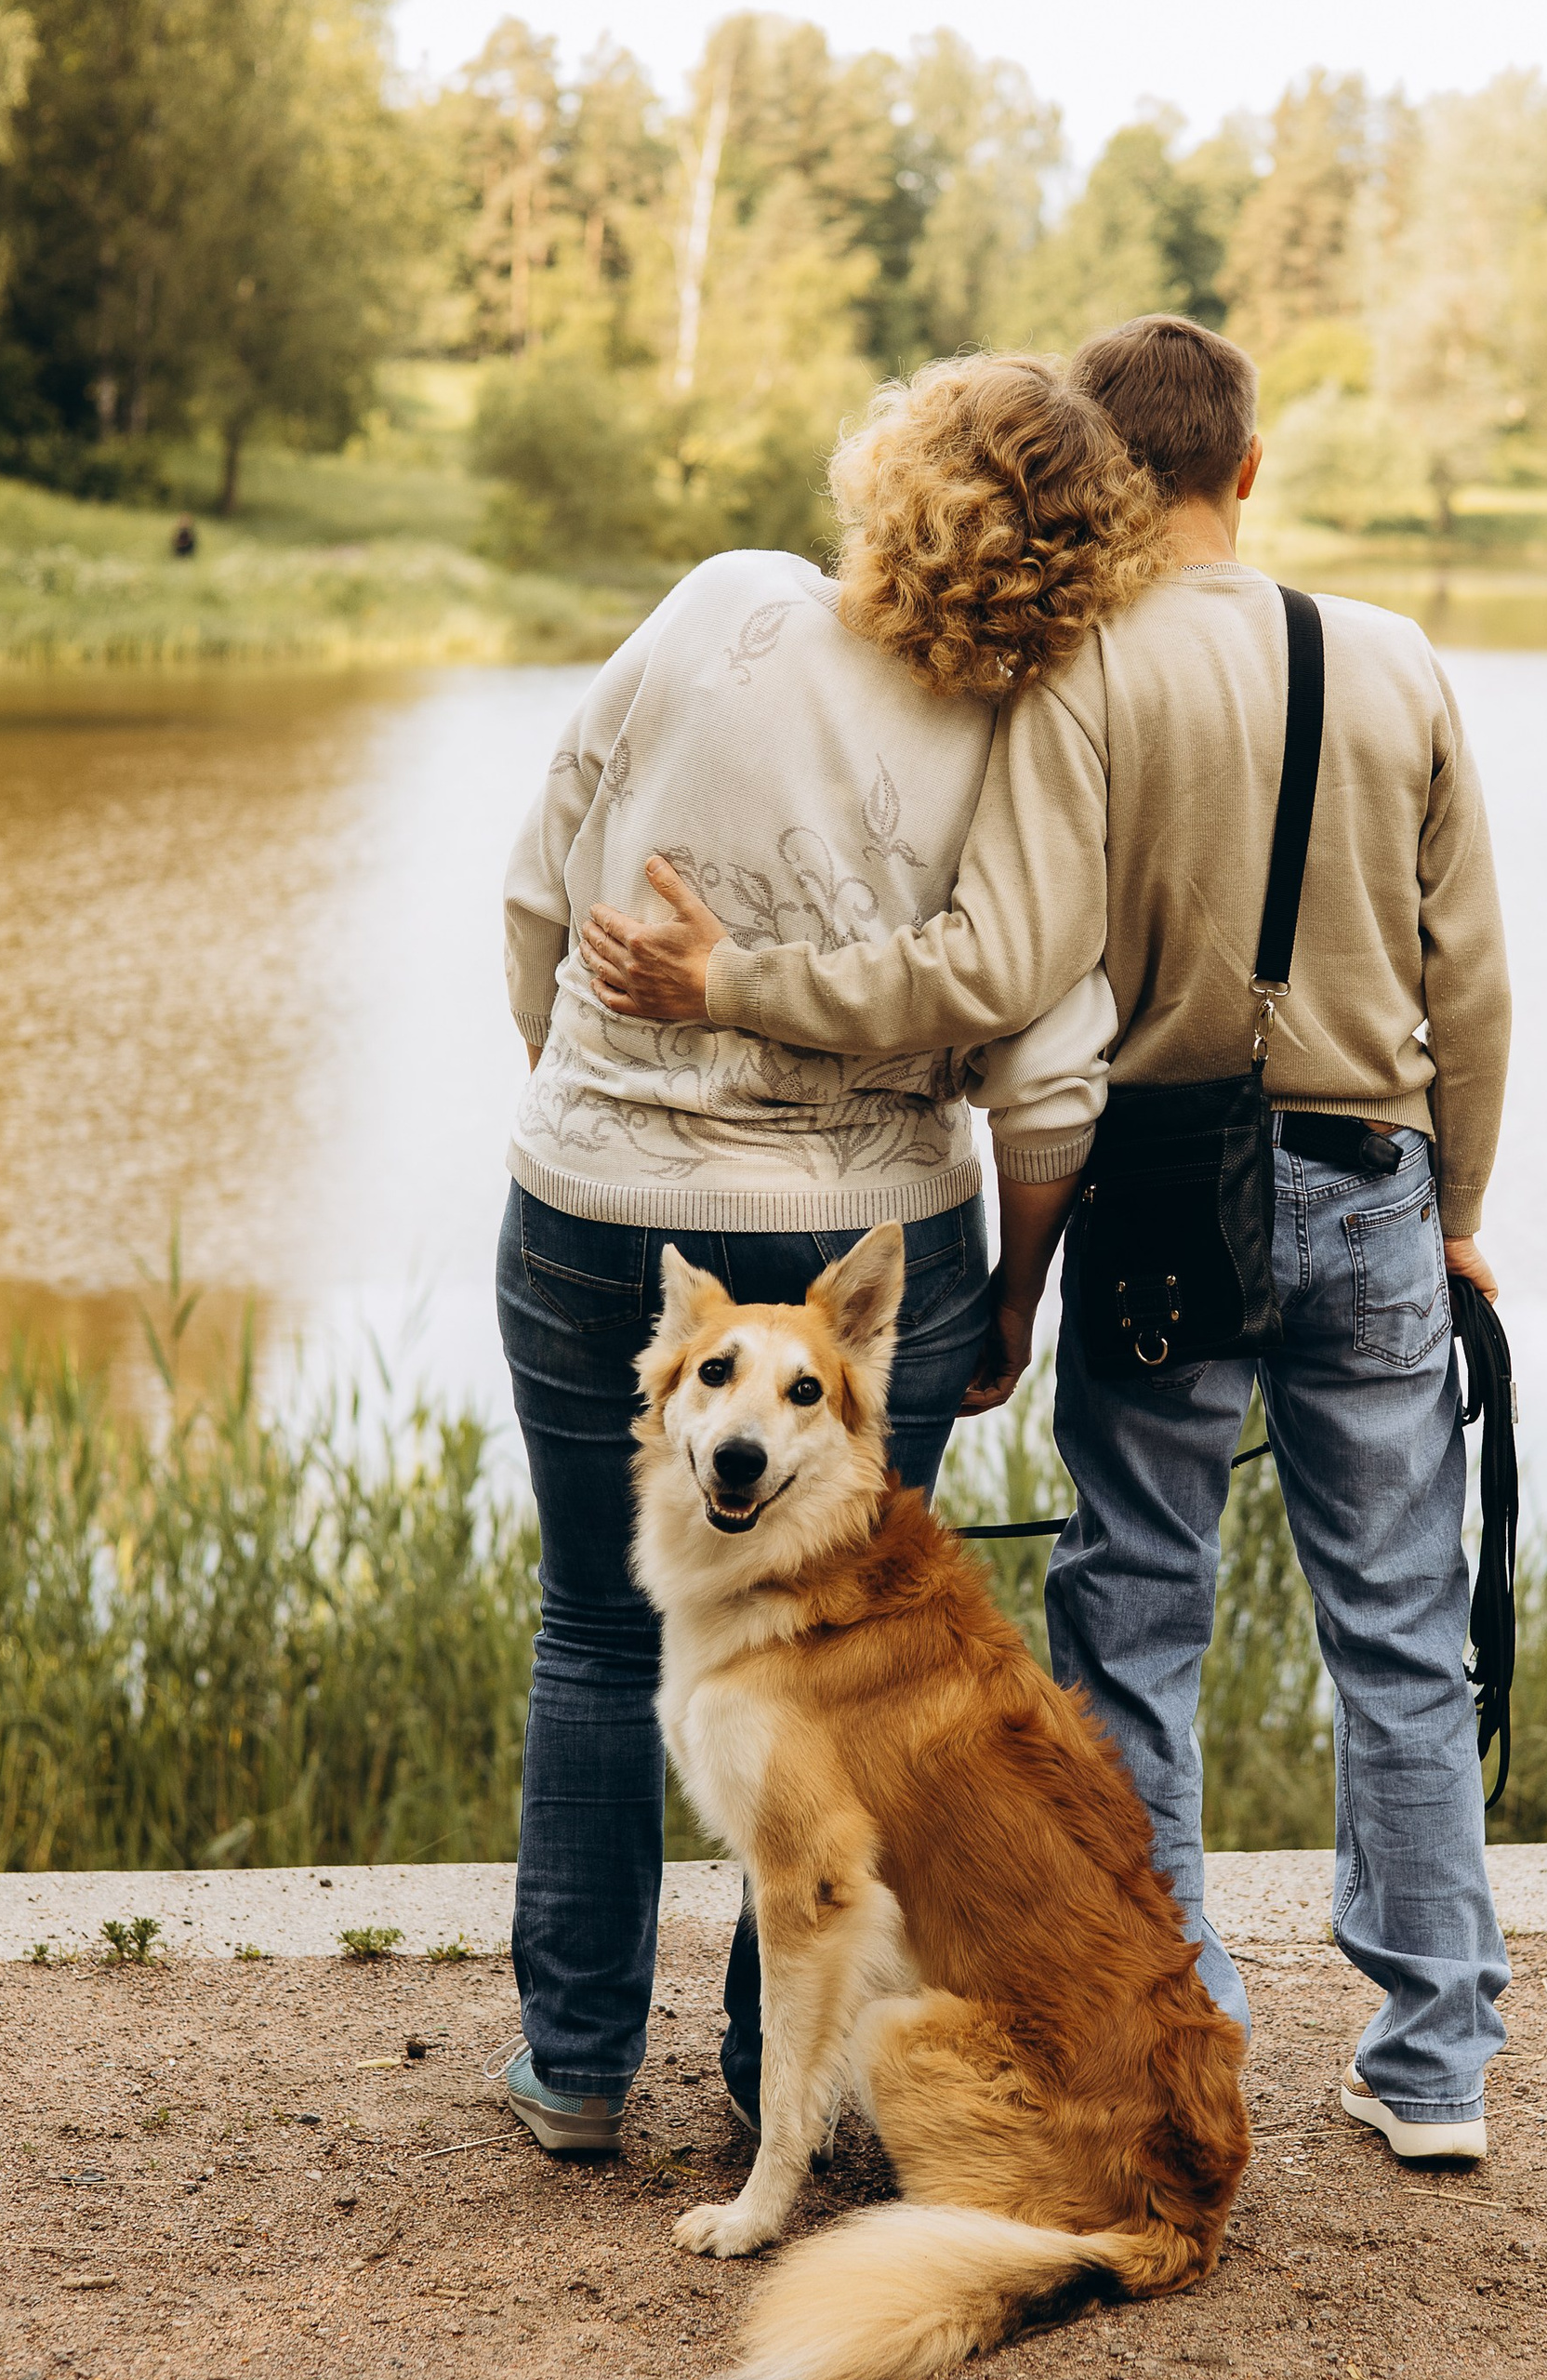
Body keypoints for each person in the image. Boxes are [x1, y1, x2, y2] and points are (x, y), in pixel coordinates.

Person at [582, 314, 1514, 2162]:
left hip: (1165, 1193)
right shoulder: (1394, 659)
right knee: (1405, 1638)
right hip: (1376, 1177)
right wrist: (1460, 1214)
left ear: (1107, 473)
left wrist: (1011, 1283)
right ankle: (1434, 2071)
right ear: (1247, 468)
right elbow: (1468, 977)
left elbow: (1016, 982)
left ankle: (1187, 2024)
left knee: (1135, 1628)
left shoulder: (1084, 669)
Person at [493, 353, 1160, 2159]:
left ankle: (571, 2066)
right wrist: (1012, 1293)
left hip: (595, 1204)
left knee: (589, 1619)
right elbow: (1044, 1073)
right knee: (832, 1658)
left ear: (890, 475)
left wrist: (575, 1095)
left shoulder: (723, 600)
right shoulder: (1030, 722)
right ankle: (760, 2074)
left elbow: (543, 869)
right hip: (867, 1245)